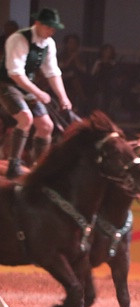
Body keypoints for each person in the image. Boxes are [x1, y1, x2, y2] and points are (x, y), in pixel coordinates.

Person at [0, 7, 73, 179]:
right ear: (37, 24)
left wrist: (63, 97)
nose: (51, 31)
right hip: (6, 84)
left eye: (53, 28)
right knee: (25, 118)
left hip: (25, 86)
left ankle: (39, 166)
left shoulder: (49, 44)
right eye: (48, 27)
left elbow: (52, 72)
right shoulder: (18, 39)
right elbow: (15, 73)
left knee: (47, 126)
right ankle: (14, 164)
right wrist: (39, 92)